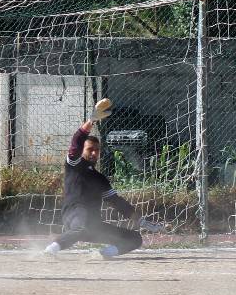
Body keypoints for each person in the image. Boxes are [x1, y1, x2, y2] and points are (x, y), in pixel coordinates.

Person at [44, 99, 161, 258]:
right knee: (81, 226)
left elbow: (118, 203)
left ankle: (103, 254)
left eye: (97, 150)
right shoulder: (74, 165)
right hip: (74, 216)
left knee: (135, 239)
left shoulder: (100, 179)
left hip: (93, 226)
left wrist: (140, 220)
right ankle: (51, 250)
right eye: (90, 149)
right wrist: (91, 121)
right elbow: (76, 143)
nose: (94, 153)